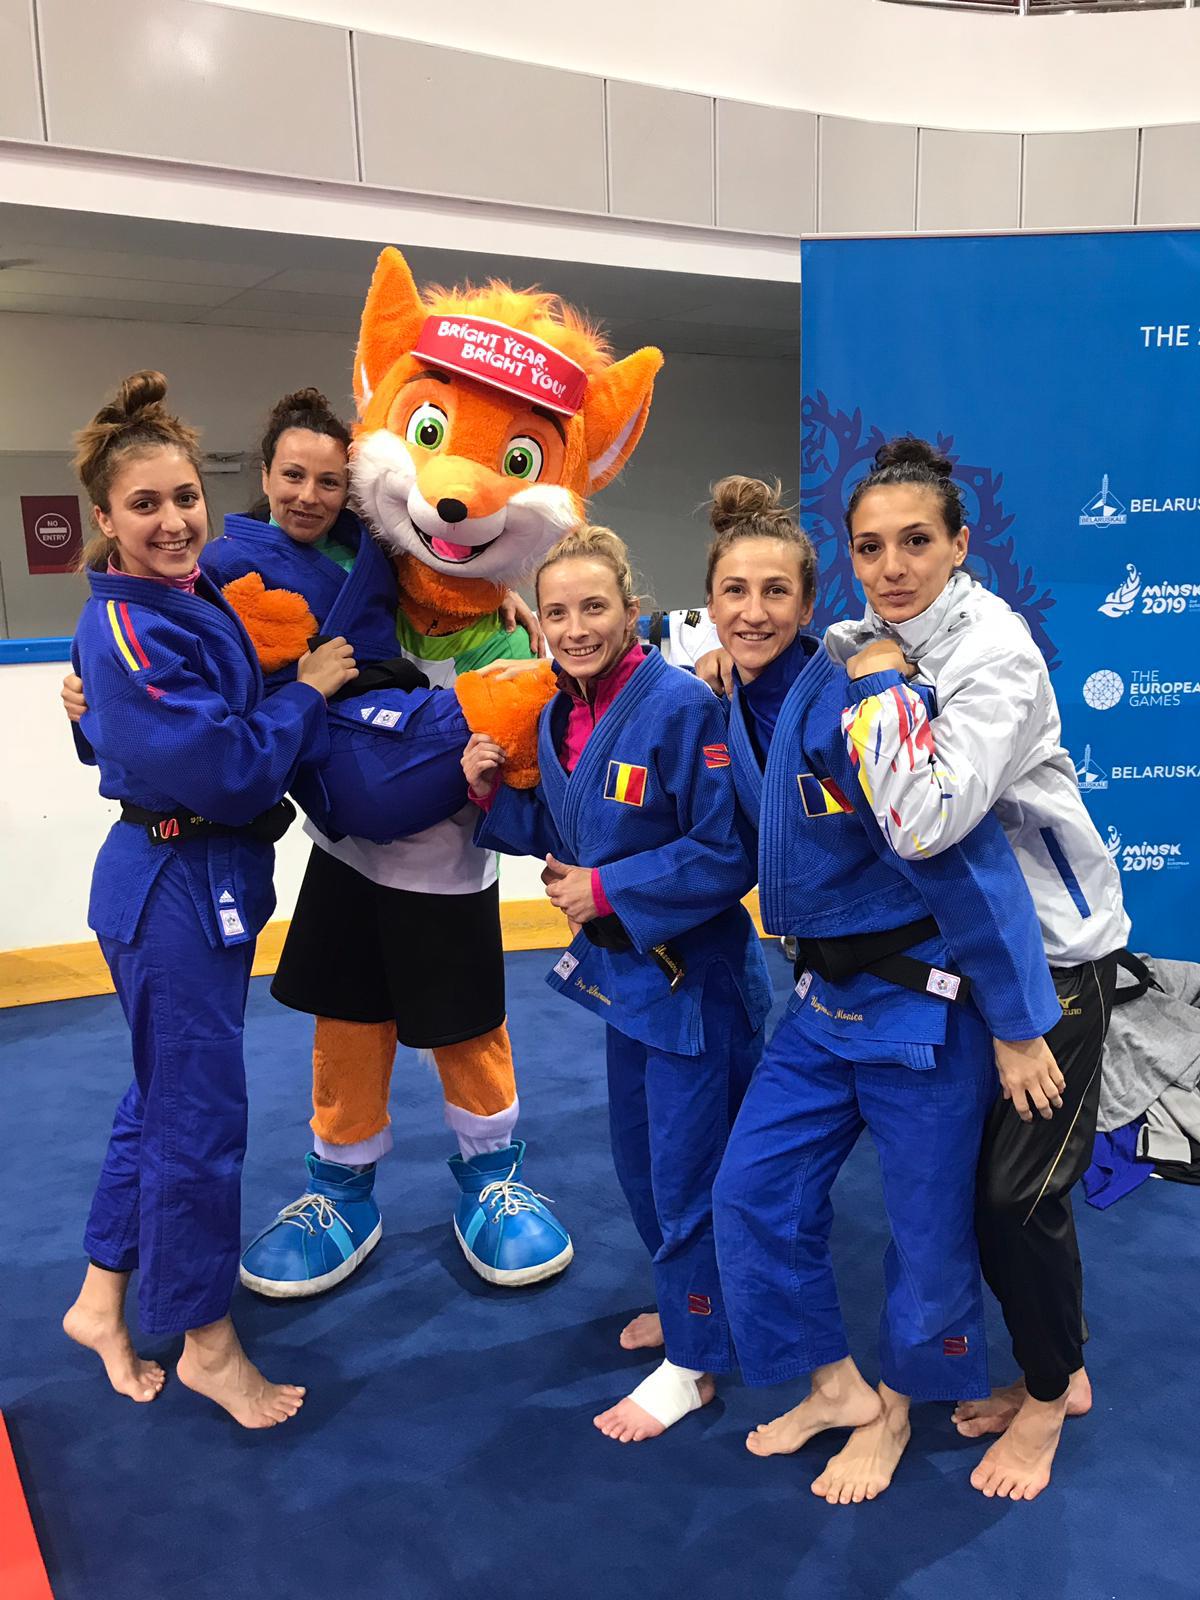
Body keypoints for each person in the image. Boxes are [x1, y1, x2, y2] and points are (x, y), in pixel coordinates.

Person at [705, 476, 1063, 1503]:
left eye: (776, 591)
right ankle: (837, 1386)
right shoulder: (736, 700)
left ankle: (898, 1408)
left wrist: (1017, 1024)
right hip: (820, 1006)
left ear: (810, 602)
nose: (753, 613)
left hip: (922, 1006)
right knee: (750, 1191)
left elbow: (968, 868)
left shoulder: (860, 695)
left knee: (927, 1235)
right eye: (734, 592)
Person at [826, 437, 1129, 1501]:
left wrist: (873, 682)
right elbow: (846, 646)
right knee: (977, 1191)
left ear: (960, 544)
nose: (892, 566)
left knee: (1016, 1198)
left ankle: (1048, 1399)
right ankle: (1062, 1367)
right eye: (870, 547)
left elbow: (923, 815)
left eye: (916, 541)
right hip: (958, 962)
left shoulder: (994, 651)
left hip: (1053, 958)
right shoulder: (883, 631)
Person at [62, 371, 355, 1427]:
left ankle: (102, 1297)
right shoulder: (133, 627)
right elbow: (226, 767)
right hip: (171, 883)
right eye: (144, 505)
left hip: (202, 878)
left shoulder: (180, 600)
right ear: (106, 519)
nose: (174, 520)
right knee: (197, 1117)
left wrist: (93, 716)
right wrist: (307, 693)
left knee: (162, 1097)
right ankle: (206, 1342)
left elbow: (159, 728)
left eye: (185, 496)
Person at [462, 525, 772, 1442]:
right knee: (639, 1165)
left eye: (594, 607)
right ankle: (689, 1306)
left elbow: (729, 849)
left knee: (687, 1175)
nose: (575, 628)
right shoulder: (556, 715)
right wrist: (491, 792)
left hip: (696, 983)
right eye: (556, 612)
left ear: (632, 611)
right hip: (626, 982)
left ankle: (696, 1362)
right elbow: (571, 828)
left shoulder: (681, 707)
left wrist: (605, 891)